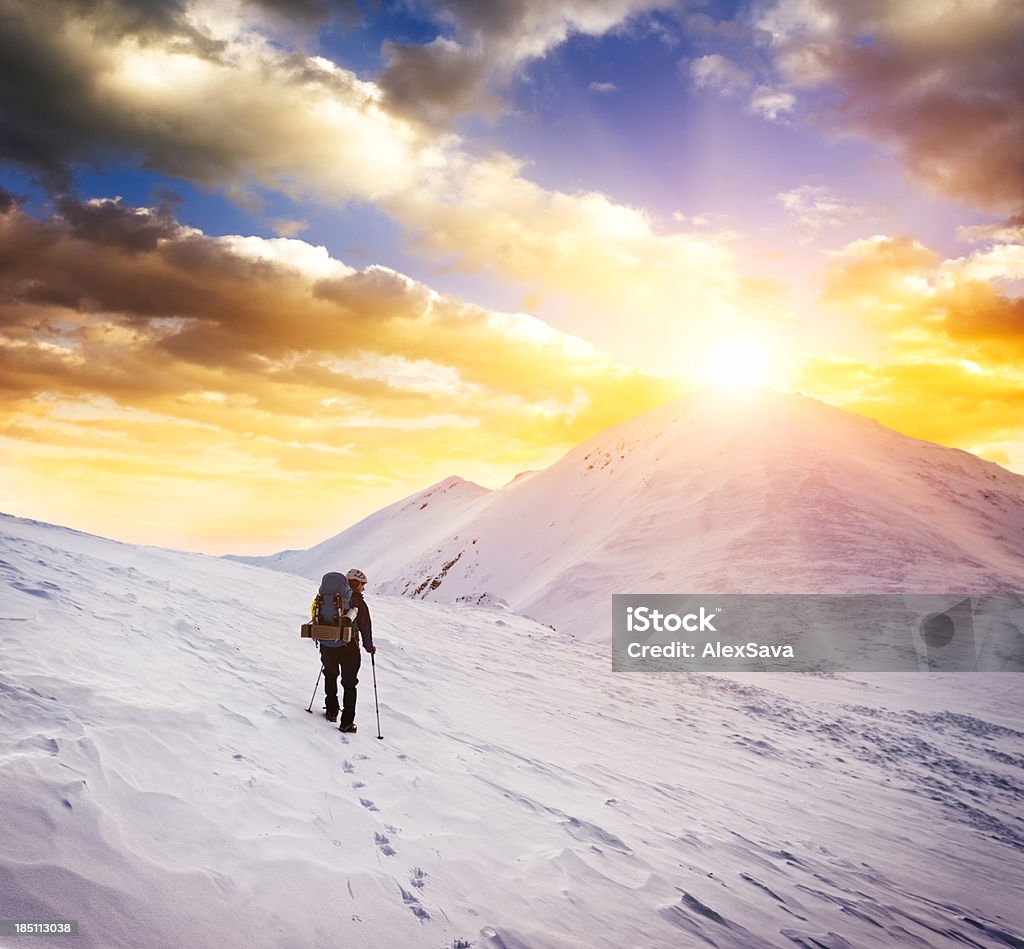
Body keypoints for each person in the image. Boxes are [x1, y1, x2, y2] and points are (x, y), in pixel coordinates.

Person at [320, 567, 375, 732]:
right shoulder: (357, 601)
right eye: (362, 585)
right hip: (349, 647)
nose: (363, 588)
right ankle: (347, 723)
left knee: (330, 675)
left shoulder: (327, 598)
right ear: (357, 583)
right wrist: (369, 646)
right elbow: (365, 627)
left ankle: (331, 711)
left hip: (327, 644)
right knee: (349, 684)